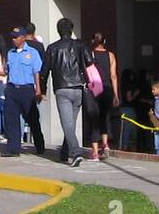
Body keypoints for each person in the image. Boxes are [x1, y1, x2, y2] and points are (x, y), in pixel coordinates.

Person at [49, 17, 92, 168]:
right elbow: (89, 62)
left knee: (67, 124)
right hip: (78, 87)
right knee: (71, 123)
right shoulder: (80, 45)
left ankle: (75, 152)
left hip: (62, 88)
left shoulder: (52, 48)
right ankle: (64, 151)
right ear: (71, 30)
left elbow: (44, 70)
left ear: (58, 31)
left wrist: (40, 89)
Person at [1, 27, 44, 158]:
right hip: (12, 88)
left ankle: (39, 145)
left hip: (27, 89)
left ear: (23, 38)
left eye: (16, 37)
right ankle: (13, 148)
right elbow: (7, 70)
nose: (13, 40)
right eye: (13, 37)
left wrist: (38, 89)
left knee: (32, 118)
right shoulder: (10, 53)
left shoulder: (32, 53)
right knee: (10, 119)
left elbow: (36, 71)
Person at [84, 33, 119, 162]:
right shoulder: (110, 55)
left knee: (94, 118)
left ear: (93, 41)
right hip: (107, 88)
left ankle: (95, 151)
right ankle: (105, 144)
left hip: (94, 89)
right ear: (105, 41)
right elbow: (114, 76)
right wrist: (116, 94)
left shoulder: (90, 54)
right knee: (104, 116)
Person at [23, 22, 47, 155]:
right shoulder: (39, 46)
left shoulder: (21, 46)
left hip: (23, 84)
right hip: (35, 85)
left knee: (21, 116)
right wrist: (43, 89)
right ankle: (38, 143)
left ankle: (21, 139)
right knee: (34, 116)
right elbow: (42, 69)